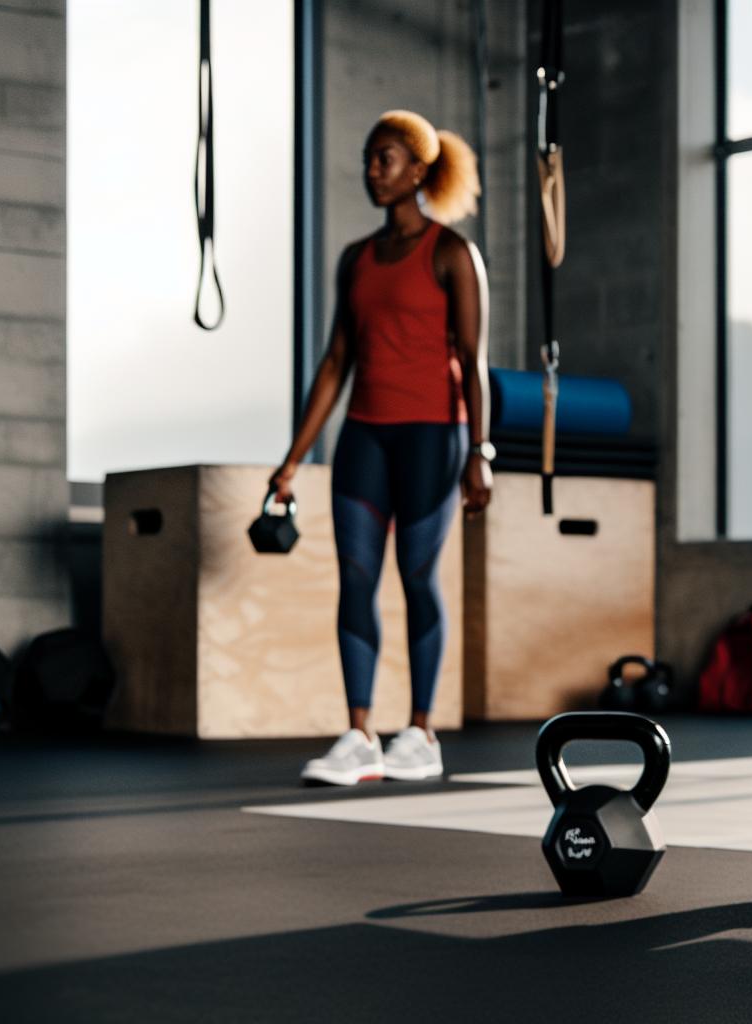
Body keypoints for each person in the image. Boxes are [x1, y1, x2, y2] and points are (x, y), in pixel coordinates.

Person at [271, 110, 492, 786]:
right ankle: (360, 733)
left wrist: (480, 451)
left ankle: (421, 734)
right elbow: (336, 362)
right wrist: (292, 458)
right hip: (364, 436)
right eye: (369, 158)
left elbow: (473, 359)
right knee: (356, 582)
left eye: (386, 158)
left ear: (419, 171)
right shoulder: (355, 259)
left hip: (433, 436)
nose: (372, 169)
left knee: (417, 579)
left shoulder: (453, 253)